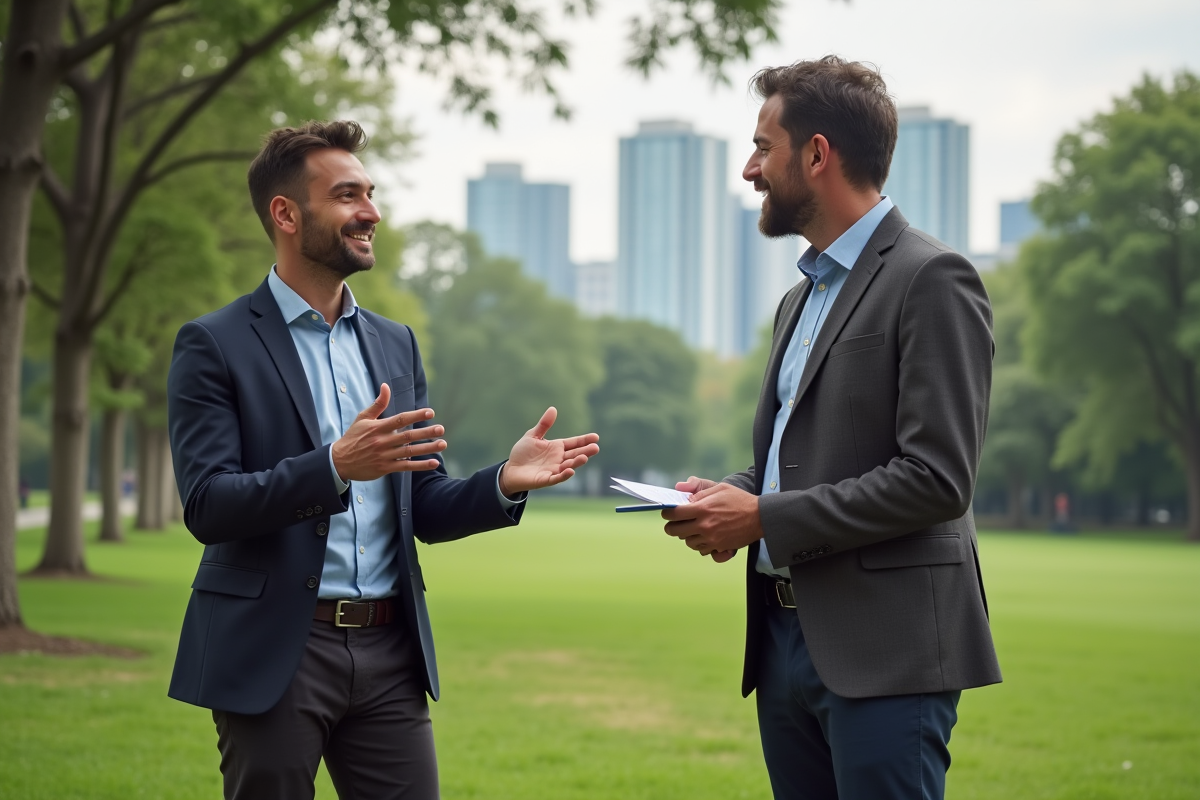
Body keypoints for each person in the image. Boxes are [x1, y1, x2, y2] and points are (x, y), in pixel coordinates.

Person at [166, 119, 600, 800]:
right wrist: (334, 466)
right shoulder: (214, 344)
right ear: (285, 213)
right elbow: (208, 504)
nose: (370, 211)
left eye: (369, 192)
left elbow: (420, 505)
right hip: (277, 647)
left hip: (390, 652)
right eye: (346, 195)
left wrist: (503, 484)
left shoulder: (394, 344)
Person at [661, 57, 1001, 800]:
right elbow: (797, 455)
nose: (750, 169)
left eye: (761, 147)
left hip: (888, 650)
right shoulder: (799, 299)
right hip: (783, 640)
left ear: (816, 155)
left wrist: (763, 516)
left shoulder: (932, 278)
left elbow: (937, 478)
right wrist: (731, 495)